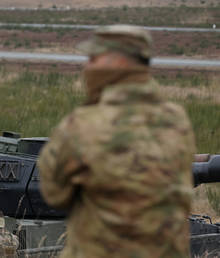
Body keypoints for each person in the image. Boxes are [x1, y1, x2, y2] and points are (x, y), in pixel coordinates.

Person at [37, 25, 196, 258]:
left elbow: (54, 194)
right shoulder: (177, 119)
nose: (86, 67)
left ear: (118, 63)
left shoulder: (83, 124)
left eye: (93, 58)